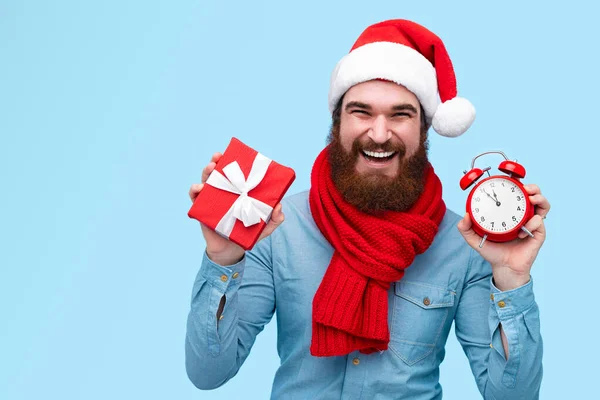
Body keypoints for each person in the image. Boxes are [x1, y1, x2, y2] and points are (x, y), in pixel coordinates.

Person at [185, 19, 549, 399]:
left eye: (400, 114)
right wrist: (224, 261)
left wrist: (511, 278)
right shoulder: (277, 226)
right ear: (336, 122)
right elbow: (209, 372)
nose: (378, 133)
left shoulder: (466, 244)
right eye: (361, 112)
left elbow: (513, 396)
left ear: (424, 128)